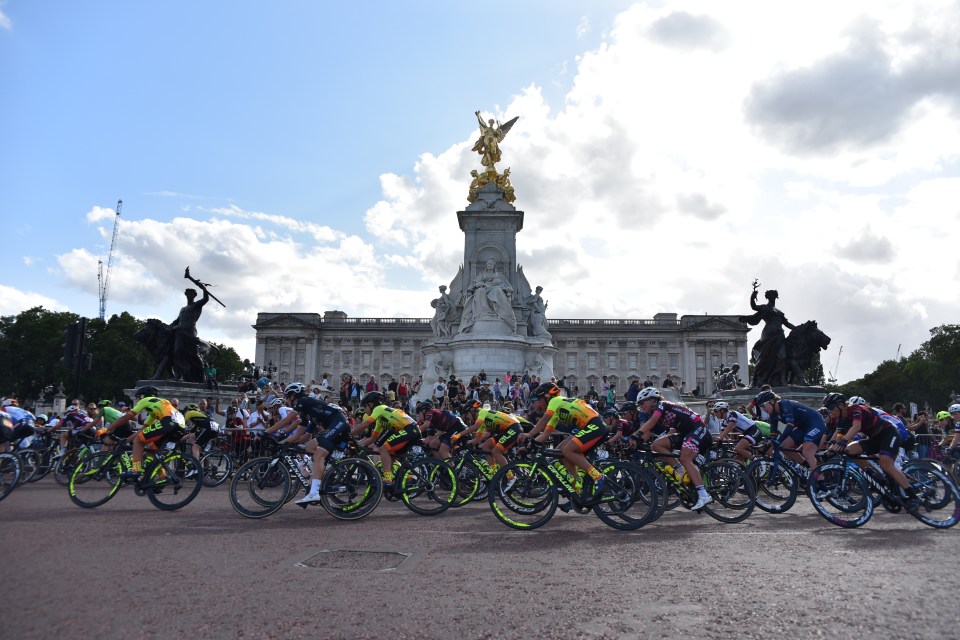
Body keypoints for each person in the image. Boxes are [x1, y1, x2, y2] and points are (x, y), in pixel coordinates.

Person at [823, 393, 921, 507]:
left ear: (840, 405)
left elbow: (856, 427)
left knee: (885, 464)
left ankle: (913, 496)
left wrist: (844, 441)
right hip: (874, 438)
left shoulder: (854, 408)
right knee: (849, 450)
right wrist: (829, 451)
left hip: (888, 434)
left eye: (830, 408)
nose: (830, 411)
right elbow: (839, 435)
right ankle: (873, 475)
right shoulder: (841, 419)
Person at [520, 383, 609, 503]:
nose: (537, 404)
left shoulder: (556, 400)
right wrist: (529, 446)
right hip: (587, 427)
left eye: (537, 400)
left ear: (547, 396)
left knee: (567, 450)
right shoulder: (556, 410)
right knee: (561, 453)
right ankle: (577, 493)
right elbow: (545, 434)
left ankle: (598, 476)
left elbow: (544, 419)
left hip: (595, 424)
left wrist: (529, 434)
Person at [634, 387, 714, 510]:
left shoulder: (662, 404)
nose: (641, 406)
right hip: (686, 433)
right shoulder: (654, 412)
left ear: (651, 400)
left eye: (641, 403)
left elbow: (652, 421)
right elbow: (649, 431)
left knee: (685, 458)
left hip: (697, 428)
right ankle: (681, 471)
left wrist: (637, 434)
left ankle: (703, 495)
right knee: (656, 445)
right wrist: (634, 442)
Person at [99, 386, 185, 478]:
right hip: (181, 426)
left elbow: (126, 417)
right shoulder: (158, 406)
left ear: (142, 397)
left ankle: (135, 470)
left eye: (137, 398)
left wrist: (105, 429)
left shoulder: (145, 400)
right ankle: (162, 477)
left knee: (138, 441)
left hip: (169, 422)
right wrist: (126, 441)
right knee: (151, 453)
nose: (136, 401)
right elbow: (142, 430)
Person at [350, 391, 420, 494]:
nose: (364, 410)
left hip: (410, 429)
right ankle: (409, 479)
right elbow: (373, 438)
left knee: (383, 448)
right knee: (389, 458)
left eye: (365, 406)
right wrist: (358, 444)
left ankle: (388, 480)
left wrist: (349, 434)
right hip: (409, 430)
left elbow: (366, 424)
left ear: (371, 404)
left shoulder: (379, 408)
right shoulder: (380, 419)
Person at [739, 286, 795, 387]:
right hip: (768, 335)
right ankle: (754, 378)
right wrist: (752, 296)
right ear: (767, 297)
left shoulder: (780, 312)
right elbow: (754, 307)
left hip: (779, 335)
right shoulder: (765, 308)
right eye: (770, 296)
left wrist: (797, 328)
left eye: (773, 295)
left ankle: (782, 380)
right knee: (763, 358)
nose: (772, 297)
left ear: (776, 297)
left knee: (783, 357)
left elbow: (787, 324)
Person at [756, 390, 825, 471]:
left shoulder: (785, 404)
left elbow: (790, 425)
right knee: (784, 446)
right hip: (803, 428)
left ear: (772, 401)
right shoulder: (773, 414)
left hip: (816, 423)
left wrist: (779, 440)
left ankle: (820, 479)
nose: (764, 410)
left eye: (764, 406)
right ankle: (807, 467)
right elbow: (773, 433)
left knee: (806, 452)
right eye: (761, 407)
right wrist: (767, 442)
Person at [459, 259, 516, 334]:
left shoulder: (499, 275)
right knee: (480, 291)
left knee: (497, 291)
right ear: (486, 265)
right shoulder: (482, 274)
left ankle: (501, 313)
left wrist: (499, 284)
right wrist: (477, 285)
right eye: (488, 264)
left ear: (494, 266)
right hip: (484, 288)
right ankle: (483, 314)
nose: (489, 265)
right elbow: (473, 285)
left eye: (491, 264)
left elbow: (507, 286)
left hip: (495, 289)